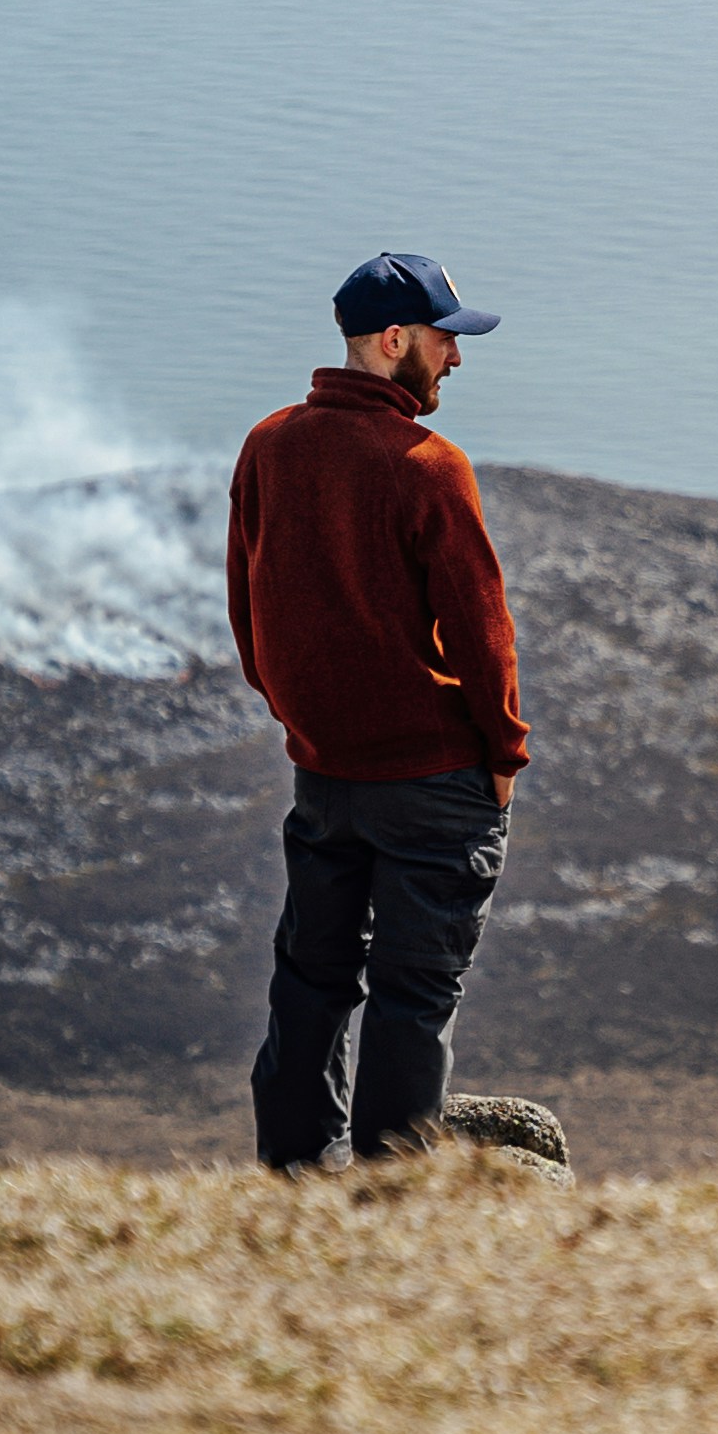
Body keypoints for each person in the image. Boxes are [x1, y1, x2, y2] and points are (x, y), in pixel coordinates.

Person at [226, 251, 530, 1169]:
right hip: (434, 782)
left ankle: (294, 1177)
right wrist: (504, 757)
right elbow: (482, 632)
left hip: (324, 774)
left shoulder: (268, 445)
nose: (456, 360)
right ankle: (390, 1194)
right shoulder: (430, 466)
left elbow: (249, 611)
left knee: (309, 980)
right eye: (444, 341)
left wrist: (300, 717)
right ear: (393, 341)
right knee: (413, 992)